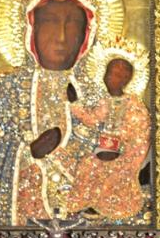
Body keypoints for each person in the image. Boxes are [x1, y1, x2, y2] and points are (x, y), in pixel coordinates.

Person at [0, 0, 125, 226]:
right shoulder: (2, 93)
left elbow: (123, 164)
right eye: (50, 22)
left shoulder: (99, 96)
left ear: (88, 33)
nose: (61, 37)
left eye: (72, 24)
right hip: (20, 227)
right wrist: (27, 153)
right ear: (30, 28)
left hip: (87, 227)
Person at [63, 40, 152, 221]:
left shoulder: (134, 105)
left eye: (119, 75)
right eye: (110, 73)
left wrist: (121, 149)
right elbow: (92, 119)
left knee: (113, 173)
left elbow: (141, 135)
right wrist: (74, 103)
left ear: (128, 79)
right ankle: (85, 203)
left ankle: (105, 206)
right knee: (87, 165)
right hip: (103, 150)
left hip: (126, 156)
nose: (112, 78)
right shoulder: (105, 101)